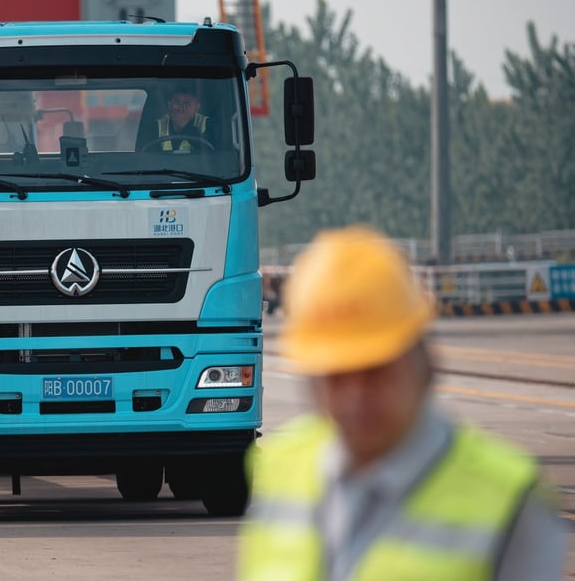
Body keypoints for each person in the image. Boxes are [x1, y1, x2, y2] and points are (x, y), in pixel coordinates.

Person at [239, 225, 566, 580]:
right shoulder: (282, 472)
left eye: (376, 371)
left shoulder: (508, 504)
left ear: (425, 361)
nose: (355, 398)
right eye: (334, 376)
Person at [137, 83, 211, 152]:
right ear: (169, 104)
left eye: (187, 104)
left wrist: (185, 126)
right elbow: (148, 157)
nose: (181, 108)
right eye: (177, 102)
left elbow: (211, 155)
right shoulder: (155, 126)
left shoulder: (209, 124)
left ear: (197, 107)